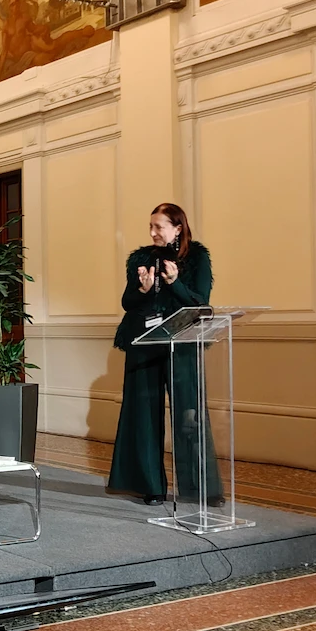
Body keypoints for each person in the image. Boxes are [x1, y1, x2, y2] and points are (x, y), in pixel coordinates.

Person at [108, 203, 223, 506]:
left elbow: (201, 303)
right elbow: (127, 302)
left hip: (182, 343)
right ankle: (151, 486)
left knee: (190, 415)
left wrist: (174, 283)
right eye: (151, 226)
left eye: (158, 227)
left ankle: (200, 488)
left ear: (177, 228)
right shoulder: (140, 259)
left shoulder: (197, 257)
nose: (152, 232)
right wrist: (143, 290)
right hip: (143, 342)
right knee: (143, 414)